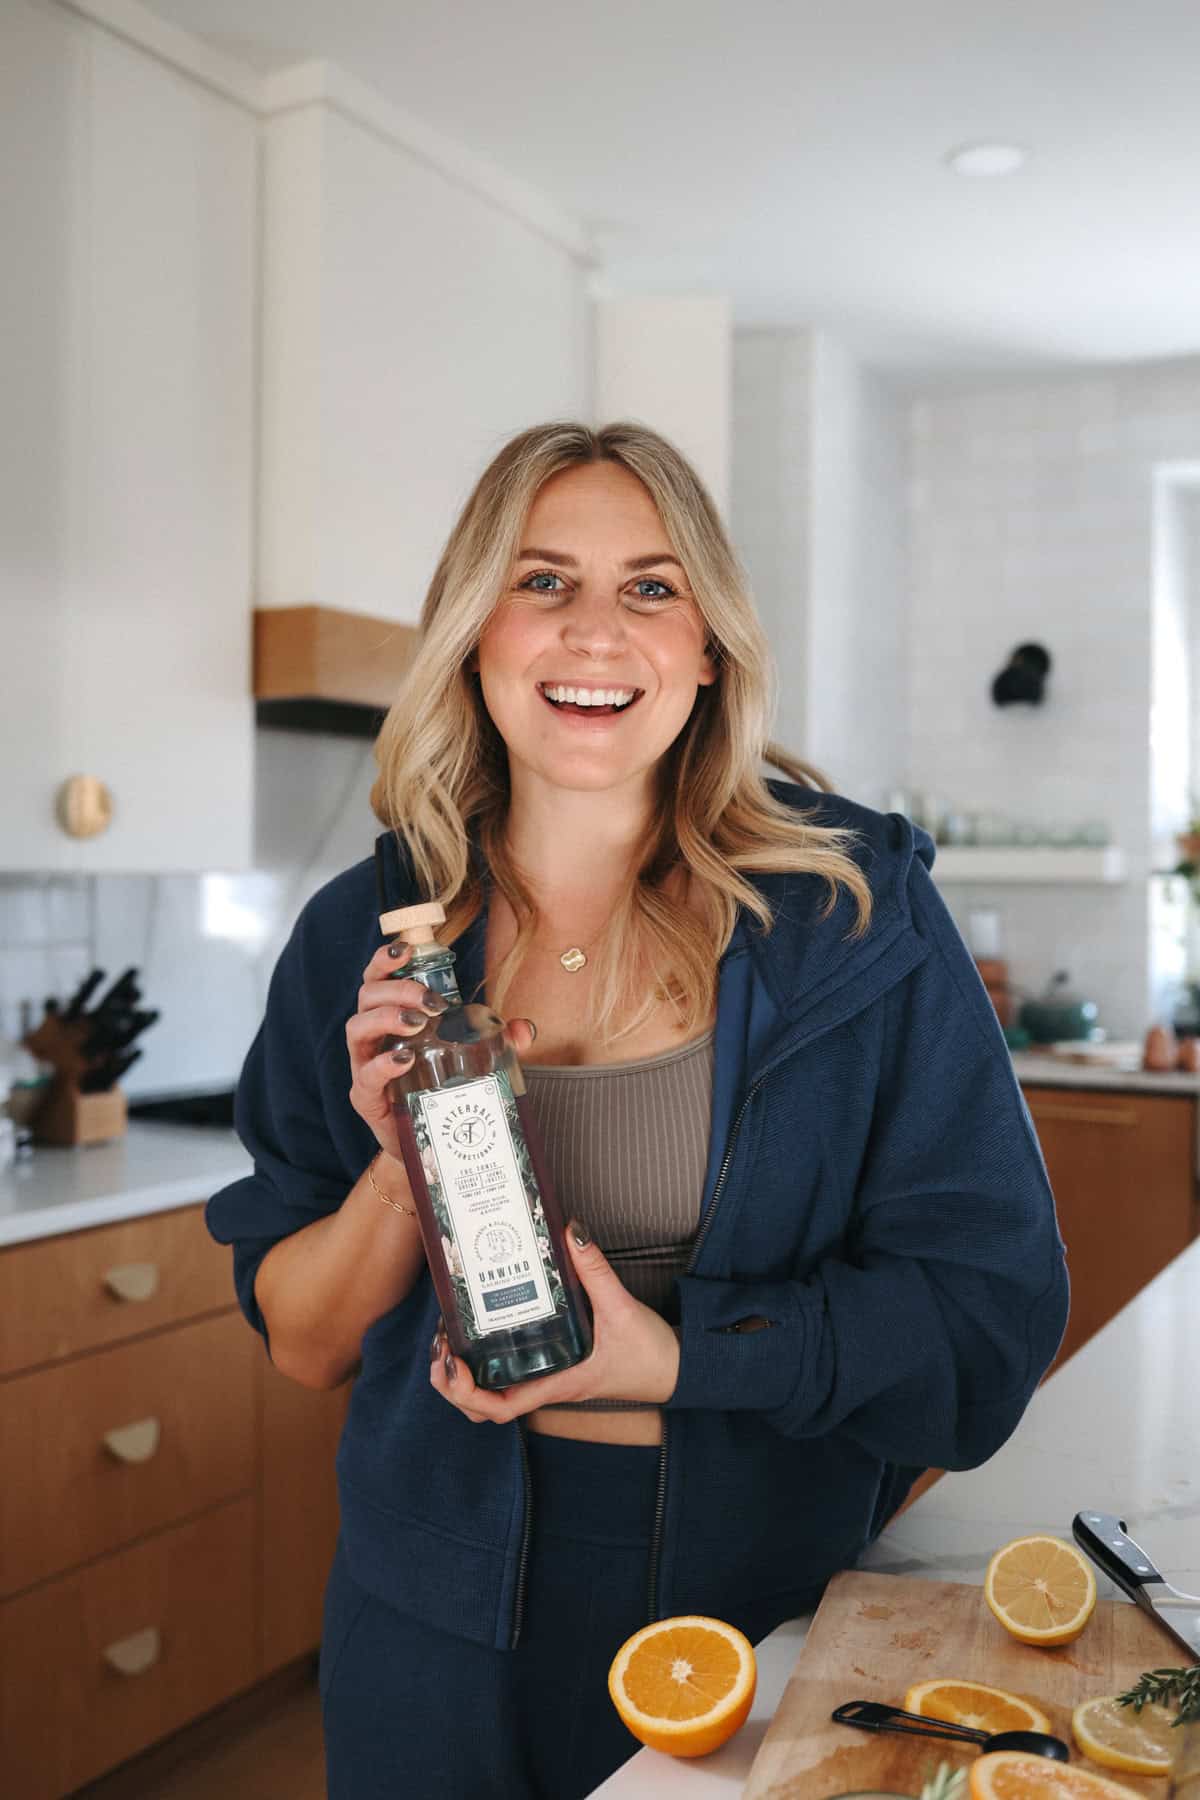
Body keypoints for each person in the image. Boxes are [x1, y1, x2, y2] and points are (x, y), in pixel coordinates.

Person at [206, 420, 1069, 1799]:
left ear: (709, 647)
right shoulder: (360, 936)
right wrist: (395, 1163)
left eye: (651, 587)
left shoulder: (849, 922)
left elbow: (986, 1318)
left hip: (761, 1613)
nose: (595, 631)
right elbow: (304, 1344)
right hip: (426, 1615)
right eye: (542, 581)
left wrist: (676, 1360)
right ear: (474, 628)